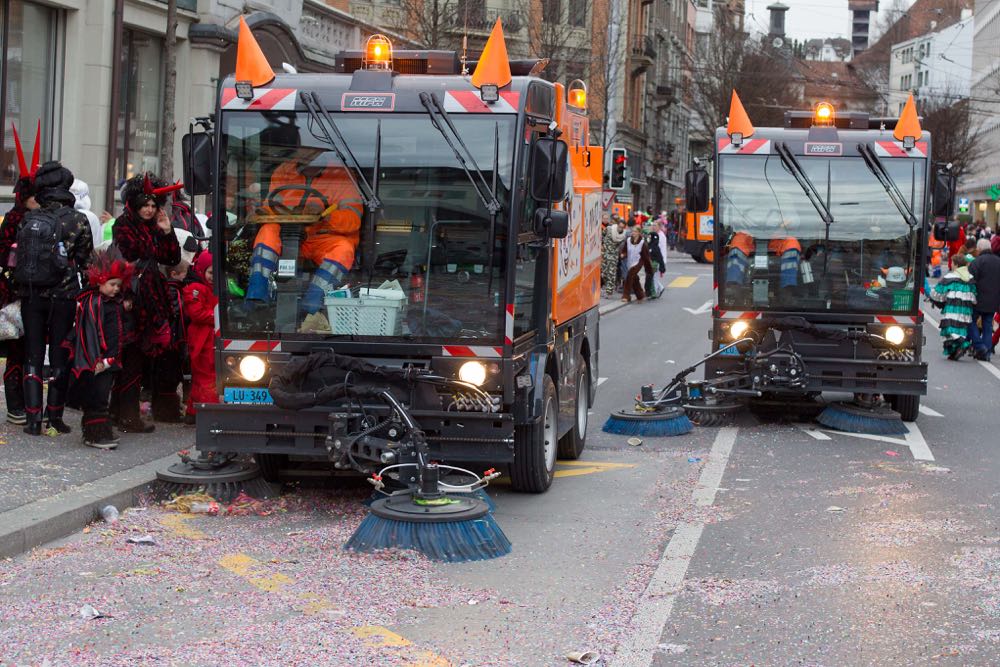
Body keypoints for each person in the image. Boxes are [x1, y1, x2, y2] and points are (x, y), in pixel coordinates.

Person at [17, 161, 94, 435]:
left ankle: (33, 419)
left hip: (32, 294)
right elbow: (86, 261)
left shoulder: (29, 218)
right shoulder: (78, 219)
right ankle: (56, 417)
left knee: (33, 354)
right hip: (64, 295)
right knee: (60, 354)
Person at [246, 152, 363, 317]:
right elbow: (271, 205)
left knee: (343, 249)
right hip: (288, 235)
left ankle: (312, 304)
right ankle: (257, 294)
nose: (308, 152)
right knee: (267, 230)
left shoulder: (342, 175)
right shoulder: (284, 171)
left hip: (322, 236)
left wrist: (326, 214)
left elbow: (353, 219)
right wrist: (260, 211)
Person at [111, 173, 182, 432]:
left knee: (138, 358)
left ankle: (121, 413)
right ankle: (125, 415)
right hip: (129, 298)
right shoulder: (123, 225)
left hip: (150, 300)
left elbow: (171, 258)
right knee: (129, 358)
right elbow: (132, 254)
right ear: (134, 203)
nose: (150, 210)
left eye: (154, 205)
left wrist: (167, 232)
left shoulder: (154, 226)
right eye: (145, 205)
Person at [69, 250, 133, 448]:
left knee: (102, 396)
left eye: (118, 285)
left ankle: (99, 431)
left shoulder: (111, 303)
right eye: (112, 285)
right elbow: (90, 333)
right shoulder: (93, 303)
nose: (115, 289)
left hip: (111, 358)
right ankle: (94, 434)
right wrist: (98, 358)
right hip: (98, 359)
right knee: (96, 397)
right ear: (99, 281)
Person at [0, 131, 41, 425]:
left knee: (31, 349)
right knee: (17, 348)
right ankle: (16, 403)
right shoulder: (14, 221)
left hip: (34, 290)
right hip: (15, 291)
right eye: (34, 197)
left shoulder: (36, 219)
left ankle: (28, 403)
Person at [184, 251, 218, 424]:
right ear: (201, 270)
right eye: (210, 272)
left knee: (203, 376)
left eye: (215, 272)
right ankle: (209, 414)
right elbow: (197, 314)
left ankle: (193, 411)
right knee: (207, 376)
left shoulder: (211, 288)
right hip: (202, 339)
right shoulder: (195, 289)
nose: (213, 277)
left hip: (209, 337)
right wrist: (220, 318)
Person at [930, 253, 976, 360]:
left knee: (949, 330)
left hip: (952, 308)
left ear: (955, 265)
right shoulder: (970, 278)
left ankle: (964, 345)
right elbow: (974, 297)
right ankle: (955, 352)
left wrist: (933, 297)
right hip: (966, 310)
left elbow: (938, 293)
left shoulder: (950, 277)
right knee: (960, 330)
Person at [968, 234, 1000, 361]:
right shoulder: (998, 261)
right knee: (987, 325)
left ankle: (980, 346)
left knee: (970, 321)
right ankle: (986, 352)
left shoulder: (977, 262)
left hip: (978, 299)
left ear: (979, 249)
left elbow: (970, 280)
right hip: (993, 301)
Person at [621, 224, 653, 303]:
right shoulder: (628, 240)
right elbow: (625, 250)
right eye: (633, 231)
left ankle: (626, 295)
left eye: (635, 231)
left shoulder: (642, 243)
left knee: (630, 275)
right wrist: (623, 254)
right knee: (634, 278)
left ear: (639, 233)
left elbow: (646, 256)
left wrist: (648, 269)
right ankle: (640, 295)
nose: (633, 233)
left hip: (638, 262)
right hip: (630, 262)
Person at [602, 218, 627, 296]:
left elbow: (623, 246)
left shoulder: (623, 236)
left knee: (611, 273)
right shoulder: (609, 229)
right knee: (604, 273)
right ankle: (607, 286)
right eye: (619, 226)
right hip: (604, 254)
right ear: (617, 225)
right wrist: (602, 244)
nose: (620, 228)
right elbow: (602, 235)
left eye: (622, 227)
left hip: (613, 256)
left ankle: (609, 291)